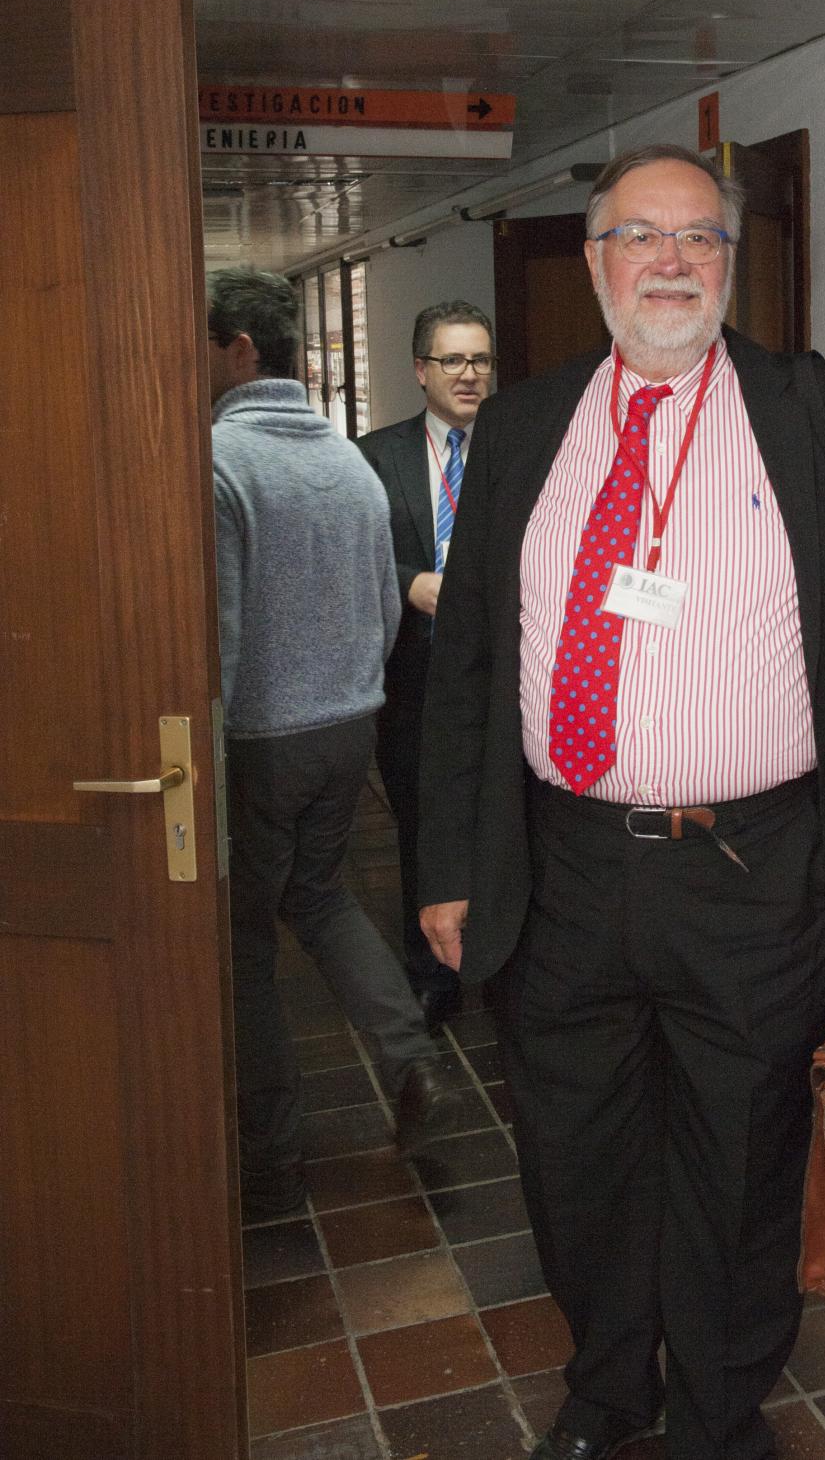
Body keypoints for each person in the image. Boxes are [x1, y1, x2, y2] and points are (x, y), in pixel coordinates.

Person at [417, 148, 825, 1460]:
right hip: (562, 863)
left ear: (730, 262)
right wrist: (446, 860)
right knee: (577, 1155)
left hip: (760, 866)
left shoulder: (814, 413)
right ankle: (606, 1395)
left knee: (742, 1156)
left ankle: (719, 1410)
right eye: (638, 238)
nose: (668, 262)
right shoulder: (528, 427)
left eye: (697, 238)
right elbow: (471, 656)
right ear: (594, 264)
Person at [208, 266, 458, 1225]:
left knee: (242, 943)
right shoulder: (347, 462)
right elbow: (381, 606)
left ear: (237, 351)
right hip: (348, 727)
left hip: (260, 737)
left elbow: (222, 633)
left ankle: (269, 1157)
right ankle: (410, 1058)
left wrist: (212, 762)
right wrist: (355, 696)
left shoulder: (222, 461)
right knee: (318, 897)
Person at [358, 301, 496, 1027]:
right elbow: (355, 562)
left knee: (502, 825)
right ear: (421, 370)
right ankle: (431, 977)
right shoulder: (374, 457)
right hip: (414, 682)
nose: (470, 375)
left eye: (480, 360)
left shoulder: (519, 447)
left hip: (502, 683)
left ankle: (502, 965)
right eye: (454, 360)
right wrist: (410, 581)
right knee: (421, 828)